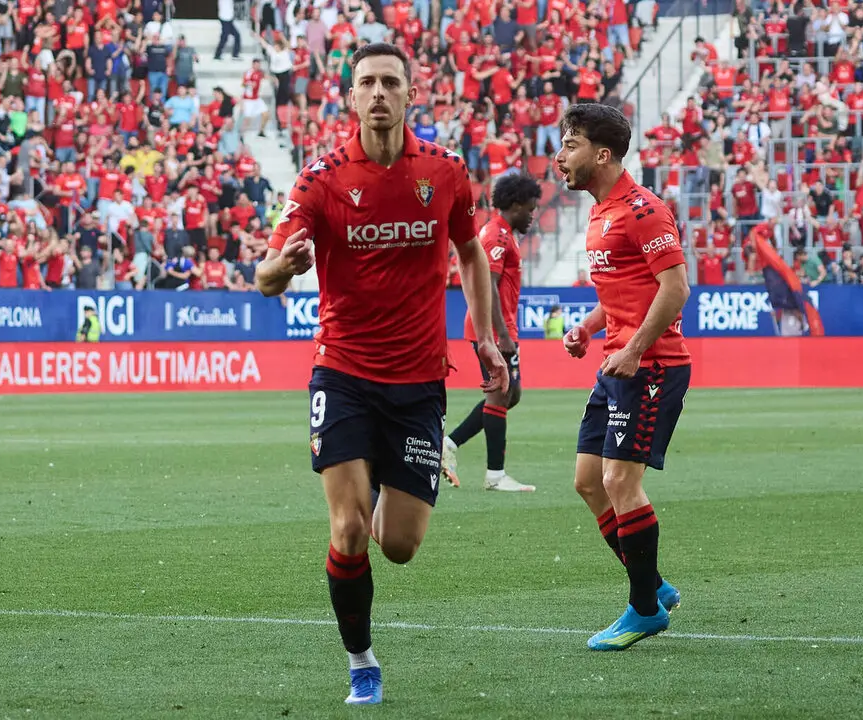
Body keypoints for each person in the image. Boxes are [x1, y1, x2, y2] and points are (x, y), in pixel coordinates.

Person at [255, 42, 506, 706]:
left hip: (420, 381)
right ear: (349, 97)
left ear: (410, 94)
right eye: (366, 82)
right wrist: (289, 267)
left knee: (397, 546)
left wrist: (484, 337)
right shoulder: (322, 177)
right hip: (341, 374)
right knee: (346, 528)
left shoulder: (446, 172)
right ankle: (361, 659)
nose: (378, 93)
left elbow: (472, 253)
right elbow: (265, 276)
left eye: (390, 82)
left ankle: (404, 473)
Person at [555, 103, 691, 650]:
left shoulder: (643, 210)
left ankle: (643, 610)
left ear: (602, 154)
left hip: (650, 367)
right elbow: (622, 293)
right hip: (616, 362)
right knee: (588, 482)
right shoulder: (600, 211)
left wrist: (634, 349)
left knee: (620, 483)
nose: (560, 156)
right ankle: (653, 585)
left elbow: (675, 287)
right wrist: (590, 328)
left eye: (570, 144)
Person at [442, 173, 542, 492]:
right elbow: (490, 286)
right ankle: (495, 475)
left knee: (510, 394)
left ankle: (449, 444)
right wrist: (501, 334)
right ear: (514, 206)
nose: (532, 215)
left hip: (496, 327)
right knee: (501, 393)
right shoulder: (496, 235)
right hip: (492, 330)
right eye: (530, 208)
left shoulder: (502, 233)